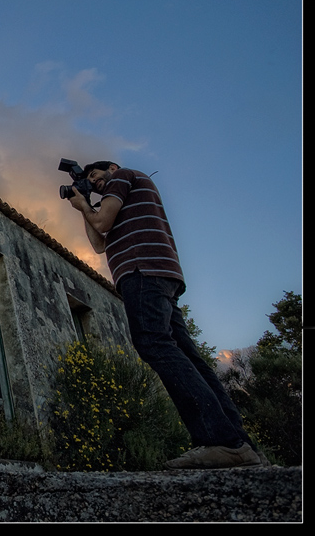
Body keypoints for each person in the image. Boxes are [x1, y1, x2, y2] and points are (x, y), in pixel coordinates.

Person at [67, 161, 263, 469]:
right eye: (89, 180)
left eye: (95, 175)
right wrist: (83, 207)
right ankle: (240, 444)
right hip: (158, 274)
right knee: (188, 356)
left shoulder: (123, 176)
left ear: (111, 168)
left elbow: (102, 222)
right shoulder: (121, 198)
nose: (94, 182)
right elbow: (100, 244)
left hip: (141, 270)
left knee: (153, 343)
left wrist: (85, 206)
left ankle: (221, 441)